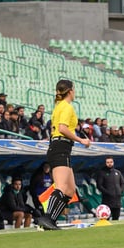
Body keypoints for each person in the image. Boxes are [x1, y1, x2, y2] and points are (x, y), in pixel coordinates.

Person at [36, 79, 90, 230]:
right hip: (61, 146)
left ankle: (51, 220)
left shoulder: (59, 106)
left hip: (61, 148)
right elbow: (63, 128)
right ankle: (47, 218)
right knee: (60, 186)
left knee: (70, 190)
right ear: (71, 90)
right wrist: (81, 140)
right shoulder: (66, 107)